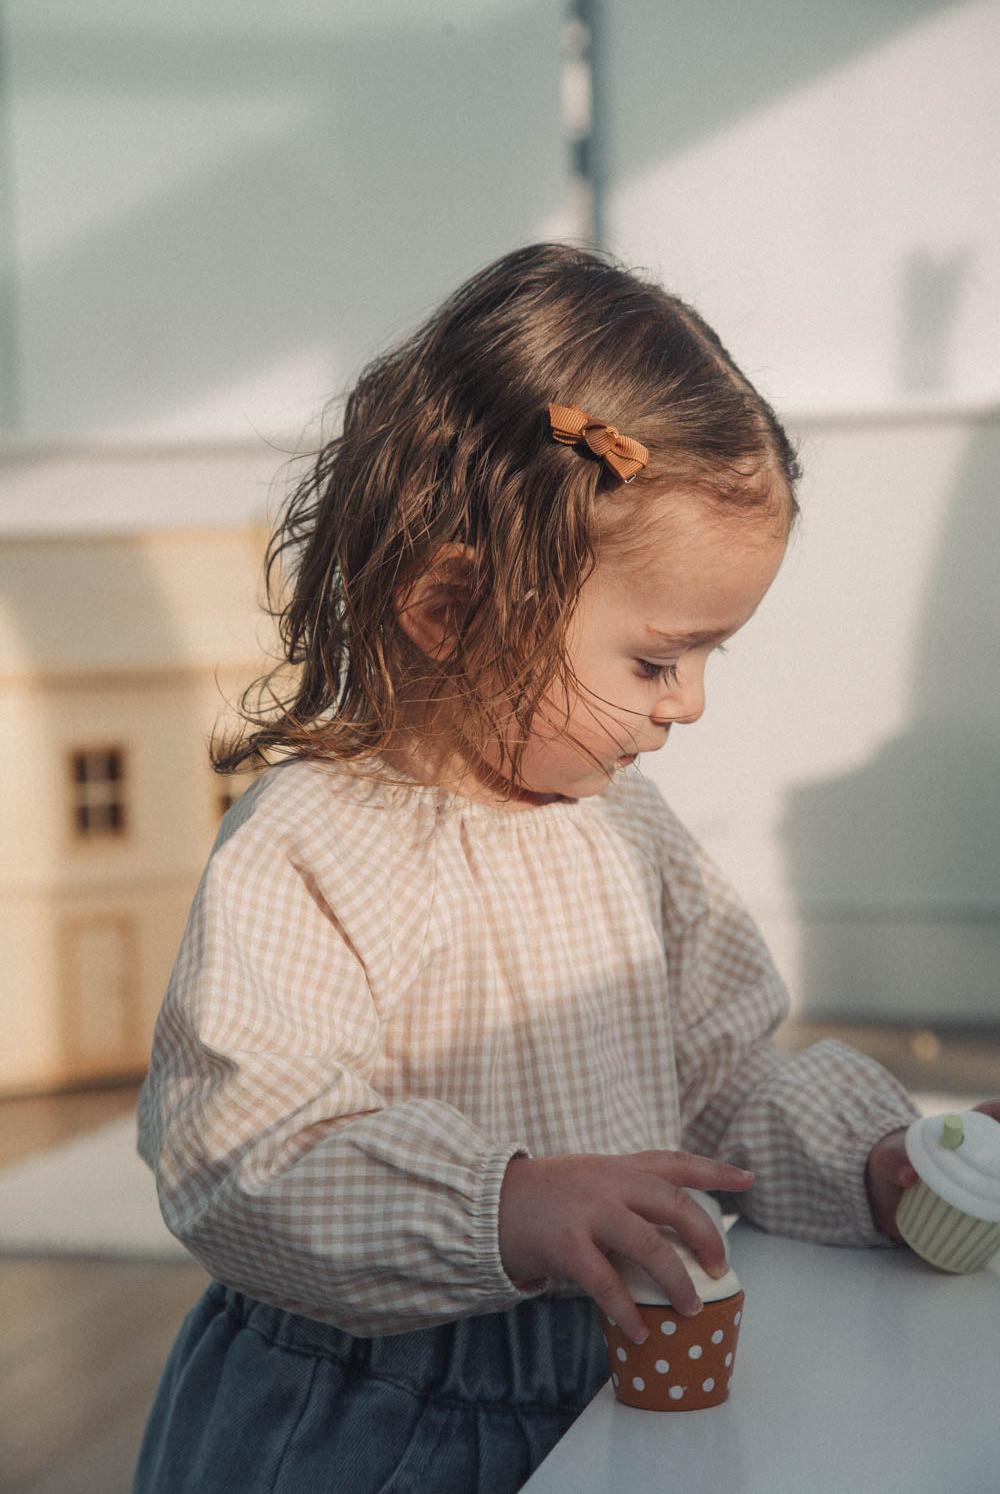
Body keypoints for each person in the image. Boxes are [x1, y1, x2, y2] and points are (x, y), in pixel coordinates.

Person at [132, 242, 997, 1493]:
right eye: (656, 662)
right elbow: (242, 1156)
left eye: (707, 661)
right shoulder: (309, 844)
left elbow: (718, 1084)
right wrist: (507, 1202)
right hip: (372, 1424)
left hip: (612, 1386)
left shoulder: (625, 830)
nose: (688, 705)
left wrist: (869, 1164)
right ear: (448, 606)